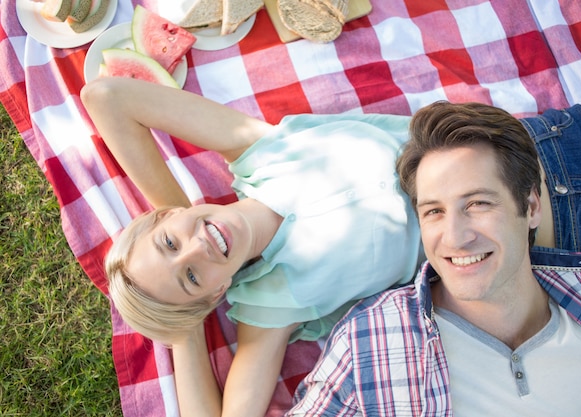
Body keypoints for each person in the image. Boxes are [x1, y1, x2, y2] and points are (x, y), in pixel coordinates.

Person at [80, 77, 422, 417]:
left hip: (457, 139)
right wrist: (185, 327)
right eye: (192, 277)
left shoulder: (259, 151)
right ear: (216, 294)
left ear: (167, 216)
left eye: (169, 242)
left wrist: (186, 215)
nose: (198, 248)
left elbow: (106, 96)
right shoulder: (271, 305)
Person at [287, 99, 581, 416]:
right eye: (434, 211)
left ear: (532, 207)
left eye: (478, 203)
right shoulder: (370, 340)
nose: (455, 238)